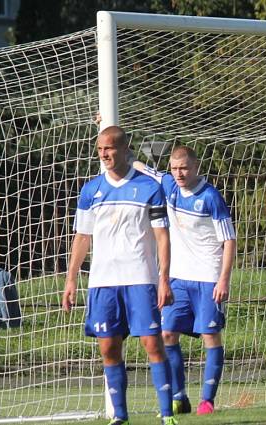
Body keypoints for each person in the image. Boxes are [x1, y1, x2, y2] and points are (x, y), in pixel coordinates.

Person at [62, 126, 177, 425]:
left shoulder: (149, 187)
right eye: (100, 149)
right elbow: (82, 237)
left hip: (140, 278)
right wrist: (71, 279)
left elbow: (162, 236)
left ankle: (167, 415)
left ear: (125, 149)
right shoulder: (91, 191)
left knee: (152, 344)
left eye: (110, 148)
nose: (104, 154)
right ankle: (120, 417)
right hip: (102, 282)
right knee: (108, 347)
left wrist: (164, 278)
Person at [133, 146, 236, 416]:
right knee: (167, 334)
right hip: (178, 277)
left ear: (196, 167)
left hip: (208, 277)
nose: (179, 173)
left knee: (210, 335)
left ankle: (207, 400)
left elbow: (229, 241)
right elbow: (137, 164)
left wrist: (223, 280)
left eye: (184, 168)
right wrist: (105, 126)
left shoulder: (211, 197)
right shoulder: (169, 184)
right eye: (175, 168)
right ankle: (179, 397)